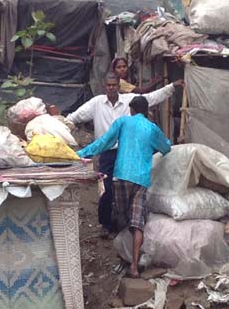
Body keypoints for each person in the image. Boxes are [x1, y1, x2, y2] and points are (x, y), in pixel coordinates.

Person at [66, 73, 183, 236]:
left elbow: (150, 98)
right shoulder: (96, 103)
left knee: (127, 187)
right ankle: (106, 224)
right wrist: (64, 122)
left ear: (119, 87)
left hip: (125, 152)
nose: (111, 88)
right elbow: (77, 115)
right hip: (106, 152)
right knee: (106, 189)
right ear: (104, 86)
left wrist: (171, 87)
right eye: (108, 85)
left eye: (114, 85)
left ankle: (126, 225)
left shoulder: (130, 100)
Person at [76, 96, 172, 278]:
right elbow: (167, 148)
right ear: (147, 111)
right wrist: (149, 150)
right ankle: (134, 267)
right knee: (137, 224)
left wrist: (80, 153)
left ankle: (123, 259)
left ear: (133, 110)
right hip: (141, 180)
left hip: (120, 176)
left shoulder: (123, 122)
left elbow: (104, 143)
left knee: (122, 218)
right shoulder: (152, 128)